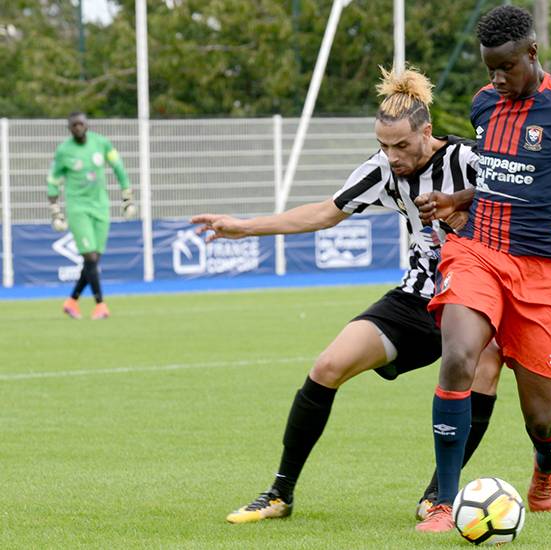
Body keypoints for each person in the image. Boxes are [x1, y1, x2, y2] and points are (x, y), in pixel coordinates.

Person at [191, 67, 503, 524]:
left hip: (475, 298)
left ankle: (440, 493)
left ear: (427, 131)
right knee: (327, 366)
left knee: (487, 365)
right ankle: (280, 493)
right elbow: (323, 212)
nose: (391, 156)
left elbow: (516, 199)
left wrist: (466, 212)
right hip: (417, 299)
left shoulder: (468, 160)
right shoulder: (381, 171)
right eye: (383, 145)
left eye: (400, 145)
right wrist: (245, 227)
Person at [414, 5, 551, 533]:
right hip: (479, 252)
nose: (496, 78)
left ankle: (547, 462)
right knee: (460, 355)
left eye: (506, 66)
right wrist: (458, 198)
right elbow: (500, 175)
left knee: (539, 417)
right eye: (489, 67)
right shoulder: (484, 103)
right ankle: (443, 503)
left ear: (532, 53)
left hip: (546, 273)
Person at [47, 112, 136, 320]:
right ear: (69, 128)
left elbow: (118, 166)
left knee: (94, 260)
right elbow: (53, 179)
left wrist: (127, 197)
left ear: (87, 125)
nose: (78, 127)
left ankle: (71, 301)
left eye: (81, 124)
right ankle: (100, 305)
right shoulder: (64, 151)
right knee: (90, 257)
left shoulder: (101, 143)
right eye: (74, 125)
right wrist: (55, 211)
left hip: (101, 208)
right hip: (78, 208)